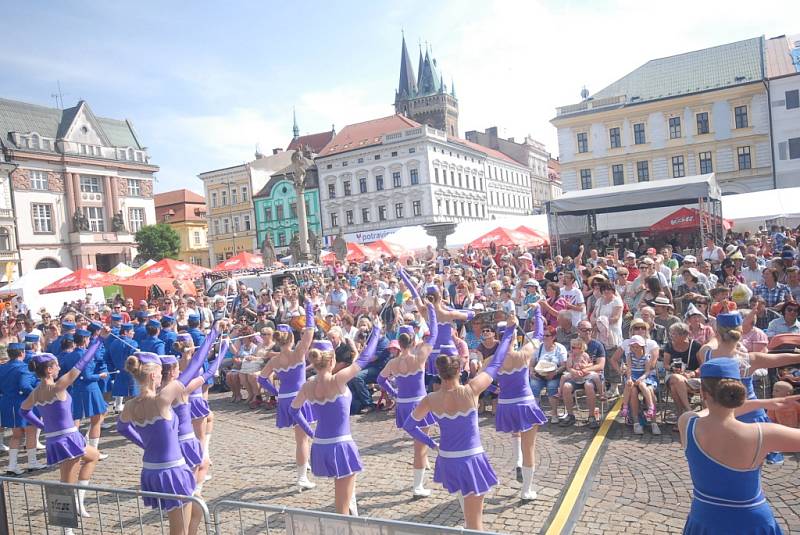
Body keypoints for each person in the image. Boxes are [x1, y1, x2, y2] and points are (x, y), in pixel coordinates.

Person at [403, 320, 515, 530]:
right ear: (459, 369)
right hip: (470, 459)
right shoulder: (471, 390)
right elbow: (497, 362)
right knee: (475, 523)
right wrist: (509, 331)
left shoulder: (430, 399)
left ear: (439, 372)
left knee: (468, 513)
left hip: (447, 459)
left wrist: (432, 443)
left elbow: (409, 426)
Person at [115, 321, 224, 535]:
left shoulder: (129, 405)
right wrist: (213, 334)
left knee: (196, 512)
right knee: (178, 528)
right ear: (154, 375)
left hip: (151, 469)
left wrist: (145, 444)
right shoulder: (162, 399)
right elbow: (195, 366)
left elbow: (122, 428)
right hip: (173, 470)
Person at [678, 358, 800, 535]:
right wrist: (770, 405)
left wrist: (765, 403)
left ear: (703, 393)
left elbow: (706, 413)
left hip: (704, 518)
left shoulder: (687, 422)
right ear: (740, 391)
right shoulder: (762, 434)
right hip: (750, 521)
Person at [290, 323, 381, 516]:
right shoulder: (338, 380)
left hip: (321, 445)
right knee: (341, 504)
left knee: (347, 494)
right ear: (332, 361)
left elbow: (294, 411)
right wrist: (377, 332)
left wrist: (310, 431)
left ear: (314, 362)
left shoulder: (307, 385)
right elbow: (364, 358)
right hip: (341, 445)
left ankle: (351, 516)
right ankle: (345, 524)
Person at [20, 342, 103, 524]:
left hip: (58, 438)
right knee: (66, 483)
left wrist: (42, 425)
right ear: (49, 370)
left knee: (93, 456)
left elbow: (23, 410)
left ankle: (79, 502)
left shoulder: (36, 392)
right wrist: (97, 342)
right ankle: (67, 526)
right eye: (56, 365)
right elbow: (80, 365)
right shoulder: (57, 387)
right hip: (67, 439)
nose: (59, 368)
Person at [159, 334, 227, 511]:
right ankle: (195, 493)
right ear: (173, 371)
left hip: (172, 433)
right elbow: (207, 372)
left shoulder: (158, 390)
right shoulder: (181, 386)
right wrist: (222, 348)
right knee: (200, 452)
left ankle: (190, 492)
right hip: (191, 406)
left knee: (207, 426)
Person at [257, 301, 316, 490]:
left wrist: (276, 393)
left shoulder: (275, 360)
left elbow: (262, 379)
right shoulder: (298, 353)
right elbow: (310, 332)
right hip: (298, 398)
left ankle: (304, 462)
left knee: (301, 438)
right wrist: (308, 309)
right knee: (301, 439)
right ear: (290, 338)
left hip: (285, 398)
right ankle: (301, 478)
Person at [376, 312, 436, 497]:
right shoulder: (419, 357)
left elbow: (380, 379)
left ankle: (424, 463)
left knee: (418, 442)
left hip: (403, 404)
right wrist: (431, 311)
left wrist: (394, 393)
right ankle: (417, 486)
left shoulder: (393, 362)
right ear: (413, 340)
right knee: (419, 445)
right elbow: (433, 334)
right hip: (419, 404)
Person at [492, 315, 545, 500]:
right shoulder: (523, 354)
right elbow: (539, 333)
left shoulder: (493, 360)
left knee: (516, 433)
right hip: (524, 403)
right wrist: (538, 312)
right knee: (529, 447)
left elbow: (480, 380)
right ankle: (526, 491)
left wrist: (496, 388)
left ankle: (517, 462)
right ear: (514, 336)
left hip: (506, 405)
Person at [1, 342, 45, 474]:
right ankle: (32, 462)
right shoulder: (24, 368)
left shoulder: (2, 367)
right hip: (24, 404)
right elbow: (25, 386)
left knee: (16, 435)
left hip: (7, 404)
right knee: (30, 432)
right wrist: (37, 395)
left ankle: (12, 465)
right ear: (22, 353)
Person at [663, 322, 703, 419]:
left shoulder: (696, 346)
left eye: (674, 334)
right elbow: (666, 365)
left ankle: (681, 416)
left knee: (674, 387)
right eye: (671, 333)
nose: (671, 336)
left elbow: (703, 365)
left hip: (692, 376)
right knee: (676, 378)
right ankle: (689, 410)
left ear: (684, 335)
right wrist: (673, 369)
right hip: (673, 374)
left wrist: (693, 373)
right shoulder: (669, 346)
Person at [529, 327, 567, 424]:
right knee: (534, 385)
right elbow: (532, 363)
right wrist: (531, 371)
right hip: (540, 374)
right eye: (543, 335)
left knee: (552, 386)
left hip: (554, 374)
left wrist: (555, 372)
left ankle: (554, 413)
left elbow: (564, 365)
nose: (544, 338)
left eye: (547, 335)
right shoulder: (539, 348)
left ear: (553, 337)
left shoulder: (560, 348)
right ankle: (535, 412)